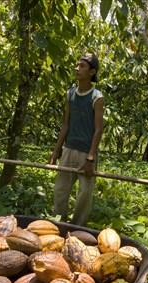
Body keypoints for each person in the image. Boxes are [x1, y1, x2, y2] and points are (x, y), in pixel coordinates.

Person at [49, 53, 104, 226]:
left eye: (82, 66)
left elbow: (98, 129)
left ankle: (77, 227)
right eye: (77, 65)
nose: (77, 69)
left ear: (92, 71)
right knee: (60, 190)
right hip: (69, 149)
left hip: (86, 152)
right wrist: (56, 151)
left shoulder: (97, 97)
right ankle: (58, 225)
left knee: (84, 194)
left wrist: (90, 158)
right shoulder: (70, 94)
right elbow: (65, 125)